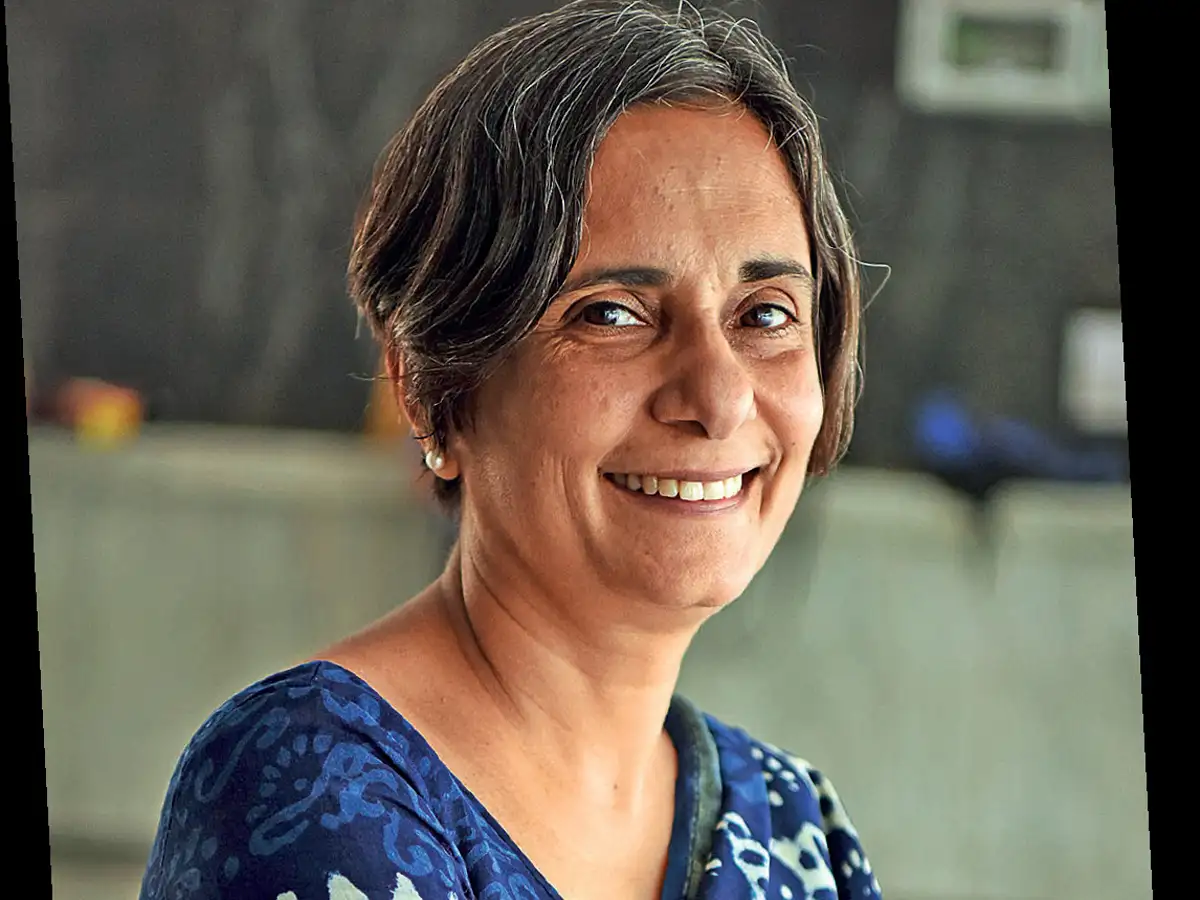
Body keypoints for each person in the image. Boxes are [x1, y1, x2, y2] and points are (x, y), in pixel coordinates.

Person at [138, 2, 878, 897]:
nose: (718, 399)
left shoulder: (795, 826)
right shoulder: (311, 786)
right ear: (431, 389)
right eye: (612, 314)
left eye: (764, 315)